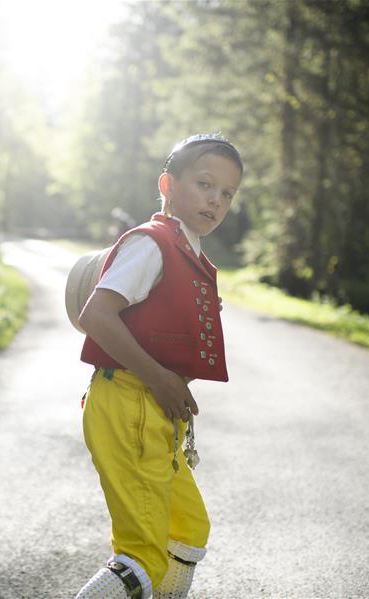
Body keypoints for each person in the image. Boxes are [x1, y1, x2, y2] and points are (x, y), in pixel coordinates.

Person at [74, 133, 244, 599]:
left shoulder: (189, 252)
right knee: (143, 554)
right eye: (205, 184)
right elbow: (96, 315)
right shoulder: (152, 244)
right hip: (128, 401)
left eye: (227, 193)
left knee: (187, 530)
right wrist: (160, 379)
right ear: (167, 185)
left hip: (154, 413)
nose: (216, 200)